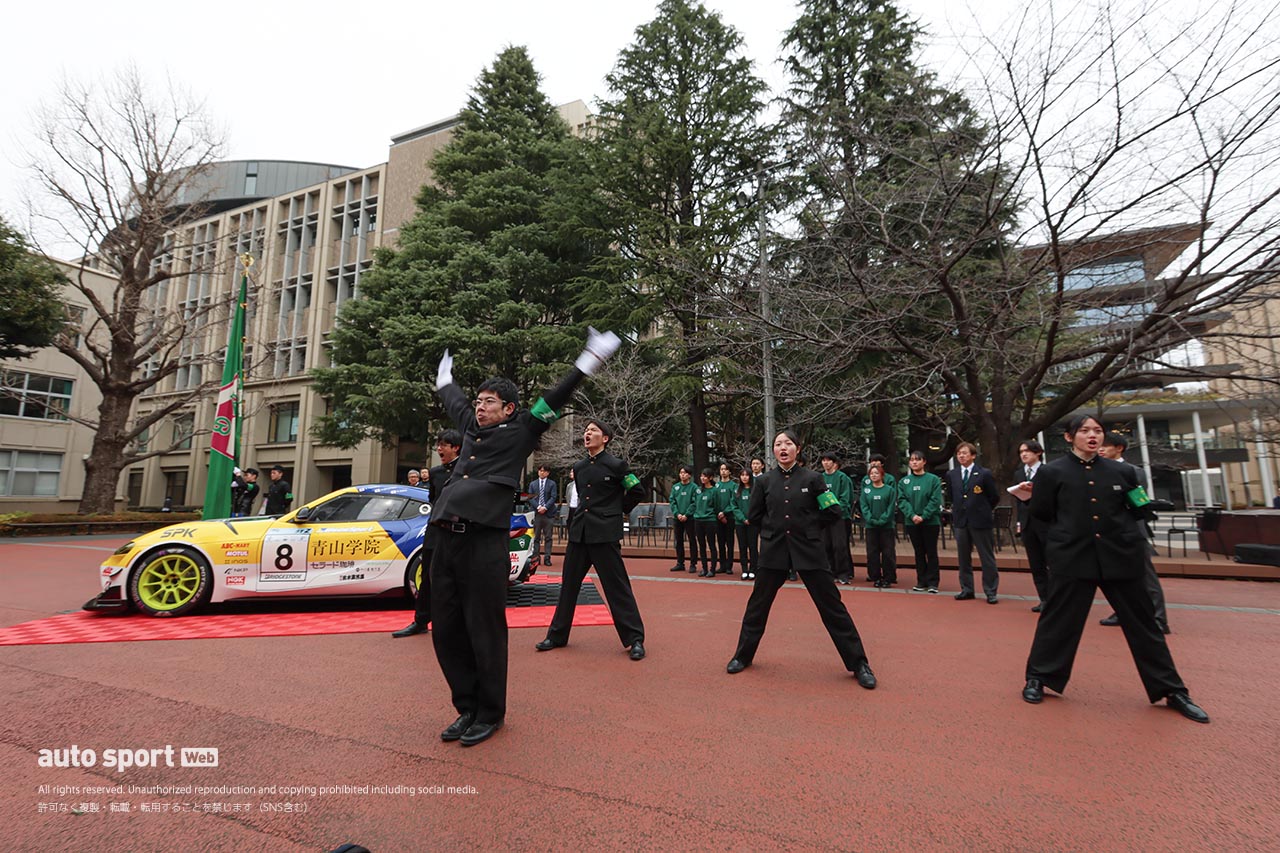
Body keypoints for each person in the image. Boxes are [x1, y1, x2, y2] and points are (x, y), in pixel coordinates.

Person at [430, 328, 620, 748]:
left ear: (509, 408)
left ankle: (490, 713)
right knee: (444, 630)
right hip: (444, 540)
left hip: (483, 541)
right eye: (478, 402)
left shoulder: (523, 429)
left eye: (489, 403)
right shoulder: (470, 426)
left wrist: (588, 359)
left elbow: (555, 399)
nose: (479, 408)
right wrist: (445, 379)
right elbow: (456, 403)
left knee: (484, 629)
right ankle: (466, 707)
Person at [1021, 415, 1209, 724]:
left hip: (1121, 556)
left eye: (1097, 431)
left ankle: (1171, 689)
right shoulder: (1052, 472)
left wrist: (1147, 507)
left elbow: (1139, 508)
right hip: (1073, 557)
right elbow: (1041, 513)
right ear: (1069, 437)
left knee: (1143, 624)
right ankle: (1039, 677)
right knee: (1058, 620)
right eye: (1084, 431)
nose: (1092, 436)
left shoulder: (1124, 471)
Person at [725, 429, 876, 689]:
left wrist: (808, 527)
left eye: (788, 444)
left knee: (833, 607)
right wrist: (773, 531)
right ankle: (742, 656)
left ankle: (859, 663)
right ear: (773, 451)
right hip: (774, 551)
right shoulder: (764, 482)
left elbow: (833, 511)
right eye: (777, 444)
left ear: (797, 448)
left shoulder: (814, 478)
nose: (782, 448)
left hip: (809, 550)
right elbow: (755, 515)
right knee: (757, 606)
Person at [536, 419, 646, 660]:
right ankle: (556, 636)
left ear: (605, 438)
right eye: (585, 431)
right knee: (568, 587)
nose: (587, 434)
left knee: (617, 587)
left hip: (605, 535)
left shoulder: (617, 465)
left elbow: (637, 491)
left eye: (593, 431)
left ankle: (635, 639)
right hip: (579, 534)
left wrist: (615, 512)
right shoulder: (580, 466)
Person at [1096, 432, 1170, 634]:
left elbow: (1139, 502)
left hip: (1131, 531)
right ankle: (1123, 612)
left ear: (1119, 448)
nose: (1101, 449)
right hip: (1108, 531)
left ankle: (1158, 618)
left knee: (1145, 576)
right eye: (1100, 446)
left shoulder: (1132, 471)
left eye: (1106, 446)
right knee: (1115, 575)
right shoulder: (1098, 470)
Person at [393, 429, 462, 638]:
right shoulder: (435, 473)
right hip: (436, 529)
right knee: (427, 574)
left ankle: (459, 623)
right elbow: (433, 498)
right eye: (438, 444)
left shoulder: (467, 471)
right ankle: (421, 620)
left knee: (460, 577)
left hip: (460, 532)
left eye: (444, 445)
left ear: (456, 447)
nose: (439, 449)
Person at [944, 443, 1000, 603]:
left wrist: (983, 509)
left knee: (986, 557)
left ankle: (990, 591)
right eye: (959, 453)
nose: (961, 456)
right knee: (963, 557)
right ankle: (967, 589)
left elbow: (993, 496)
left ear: (973, 455)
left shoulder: (984, 474)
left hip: (980, 520)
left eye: (965, 453)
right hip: (961, 521)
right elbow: (951, 494)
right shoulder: (952, 474)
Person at [1010, 440, 1050, 612]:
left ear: (1038, 452)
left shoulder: (1048, 472)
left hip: (1046, 523)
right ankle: (1044, 599)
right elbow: (1019, 503)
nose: (1024, 454)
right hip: (1027, 524)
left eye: (1027, 451)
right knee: (1036, 564)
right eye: (1021, 452)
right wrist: (1019, 523)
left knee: (1052, 563)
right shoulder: (1019, 474)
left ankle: (1058, 598)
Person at [898, 451, 942, 593]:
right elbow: (902, 500)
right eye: (912, 460)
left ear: (924, 462)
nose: (914, 462)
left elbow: (935, 500)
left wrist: (924, 515)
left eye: (917, 460)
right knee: (918, 552)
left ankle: (933, 582)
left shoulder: (933, 479)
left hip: (930, 522)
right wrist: (912, 515)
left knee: (931, 551)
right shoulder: (904, 482)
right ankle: (921, 581)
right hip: (912, 522)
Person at [819, 452, 855, 584]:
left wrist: (836, 511)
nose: (826, 463)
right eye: (823, 460)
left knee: (839, 546)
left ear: (835, 463)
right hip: (824, 517)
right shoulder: (820, 477)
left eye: (828, 460)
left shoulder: (842, 478)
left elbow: (846, 499)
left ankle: (843, 573)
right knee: (826, 545)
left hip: (840, 517)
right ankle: (830, 571)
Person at [860, 461, 898, 587]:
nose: (874, 475)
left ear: (882, 475)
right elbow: (864, 506)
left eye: (876, 473)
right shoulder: (866, 490)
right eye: (872, 473)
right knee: (872, 553)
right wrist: (870, 519)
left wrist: (883, 519)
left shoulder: (889, 490)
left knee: (888, 553)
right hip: (871, 527)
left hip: (886, 527)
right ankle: (875, 576)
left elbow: (891, 507)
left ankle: (889, 577)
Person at [668, 465, 698, 573]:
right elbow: (672, 501)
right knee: (678, 540)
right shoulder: (675, 487)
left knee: (692, 540)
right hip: (678, 518)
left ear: (689, 475)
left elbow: (694, 502)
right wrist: (677, 514)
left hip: (689, 518)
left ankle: (693, 563)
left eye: (685, 473)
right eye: (681, 473)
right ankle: (680, 563)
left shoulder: (694, 487)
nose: (682, 475)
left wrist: (687, 514)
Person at [527, 464, 558, 567]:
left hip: (548, 513)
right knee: (536, 537)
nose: (542, 472)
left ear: (548, 473)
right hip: (536, 513)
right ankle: (536, 558)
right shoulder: (533, 484)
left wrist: (545, 507)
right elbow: (530, 497)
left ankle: (547, 558)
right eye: (540, 470)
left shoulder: (552, 484)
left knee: (548, 537)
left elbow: (553, 497)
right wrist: (538, 507)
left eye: (544, 471)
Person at [692, 469, 721, 577]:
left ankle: (712, 569)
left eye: (705, 476)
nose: (702, 478)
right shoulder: (698, 490)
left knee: (712, 545)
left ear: (710, 478)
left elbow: (717, 506)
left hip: (710, 520)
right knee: (701, 545)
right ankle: (704, 568)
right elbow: (694, 504)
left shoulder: (714, 491)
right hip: (698, 520)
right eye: (701, 476)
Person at [732, 467, 758, 579]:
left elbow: (758, 505)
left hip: (753, 523)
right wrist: (742, 518)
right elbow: (734, 506)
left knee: (753, 546)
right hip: (740, 523)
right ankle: (744, 569)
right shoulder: (737, 490)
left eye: (747, 475)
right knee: (742, 547)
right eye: (742, 475)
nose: (744, 477)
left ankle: (753, 569)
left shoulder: (755, 490)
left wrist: (752, 518)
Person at [716, 462, 737, 574]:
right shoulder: (717, 485)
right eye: (721, 469)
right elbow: (714, 501)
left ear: (729, 471)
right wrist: (718, 513)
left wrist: (724, 512)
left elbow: (733, 501)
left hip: (729, 517)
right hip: (718, 517)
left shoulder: (733, 485)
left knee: (729, 542)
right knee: (720, 542)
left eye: (725, 469)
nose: (723, 471)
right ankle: (722, 565)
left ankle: (729, 566)